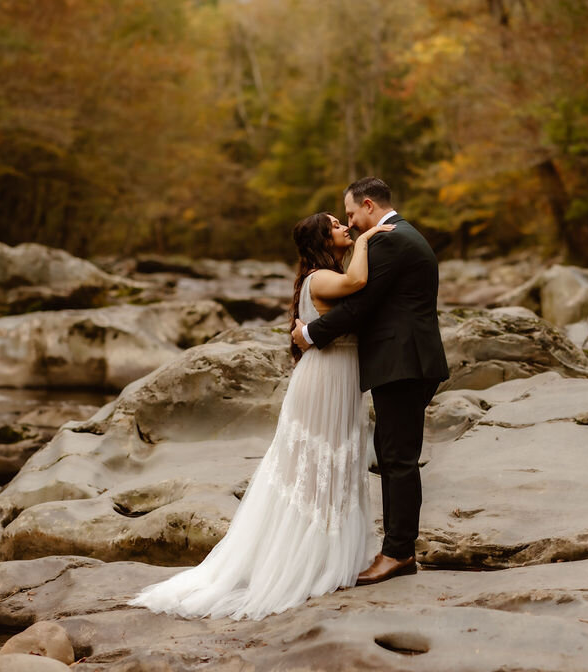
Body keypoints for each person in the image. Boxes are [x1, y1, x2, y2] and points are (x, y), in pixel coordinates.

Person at [129, 212, 393, 621]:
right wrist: (365, 240)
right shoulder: (321, 277)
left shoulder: (321, 275)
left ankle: (326, 551)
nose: (346, 227)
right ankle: (305, 557)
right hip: (324, 380)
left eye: (346, 223)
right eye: (337, 225)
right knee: (316, 464)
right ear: (323, 238)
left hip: (337, 375)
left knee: (334, 461)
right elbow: (358, 283)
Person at [293, 176, 449, 586]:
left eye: (349, 214)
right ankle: (397, 548)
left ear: (367, 205)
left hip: (404, 363)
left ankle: (398, 553)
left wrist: (309, 334)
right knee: (395, 453)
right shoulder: (399, 235)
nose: (350, 223)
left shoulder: (390, 239)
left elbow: (360, 306)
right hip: (407, 361)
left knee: (397, 458)